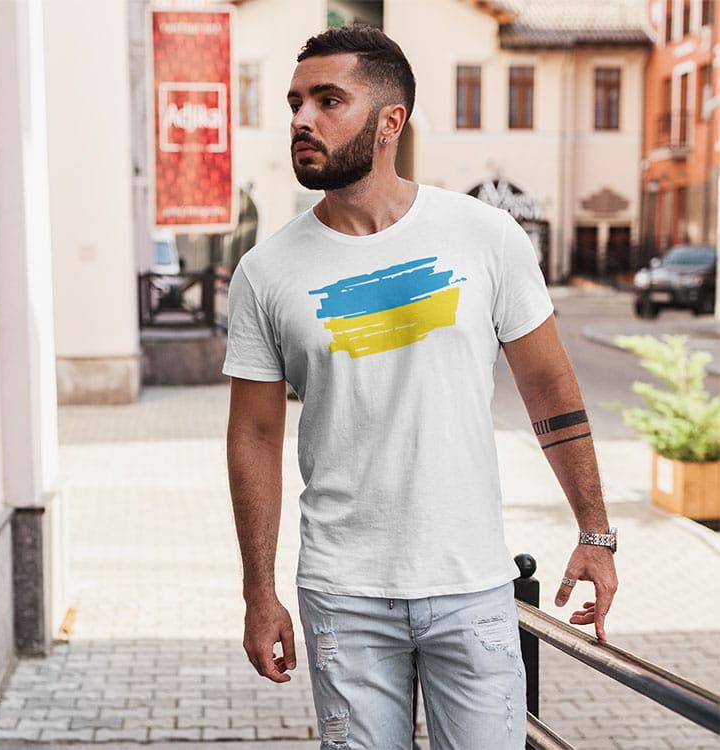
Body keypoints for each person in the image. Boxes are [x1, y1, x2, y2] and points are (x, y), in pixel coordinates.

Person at [222, 23, 618, 750]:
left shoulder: (485, 236)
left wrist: (595, 532)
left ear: (389, 122)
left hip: (472, 584)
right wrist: (258, 590)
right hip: (343, 593)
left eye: (327, 101)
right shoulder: (266, 272)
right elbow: (253, 433)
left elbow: (550, 390)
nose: (302, 119)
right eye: (295, 103)